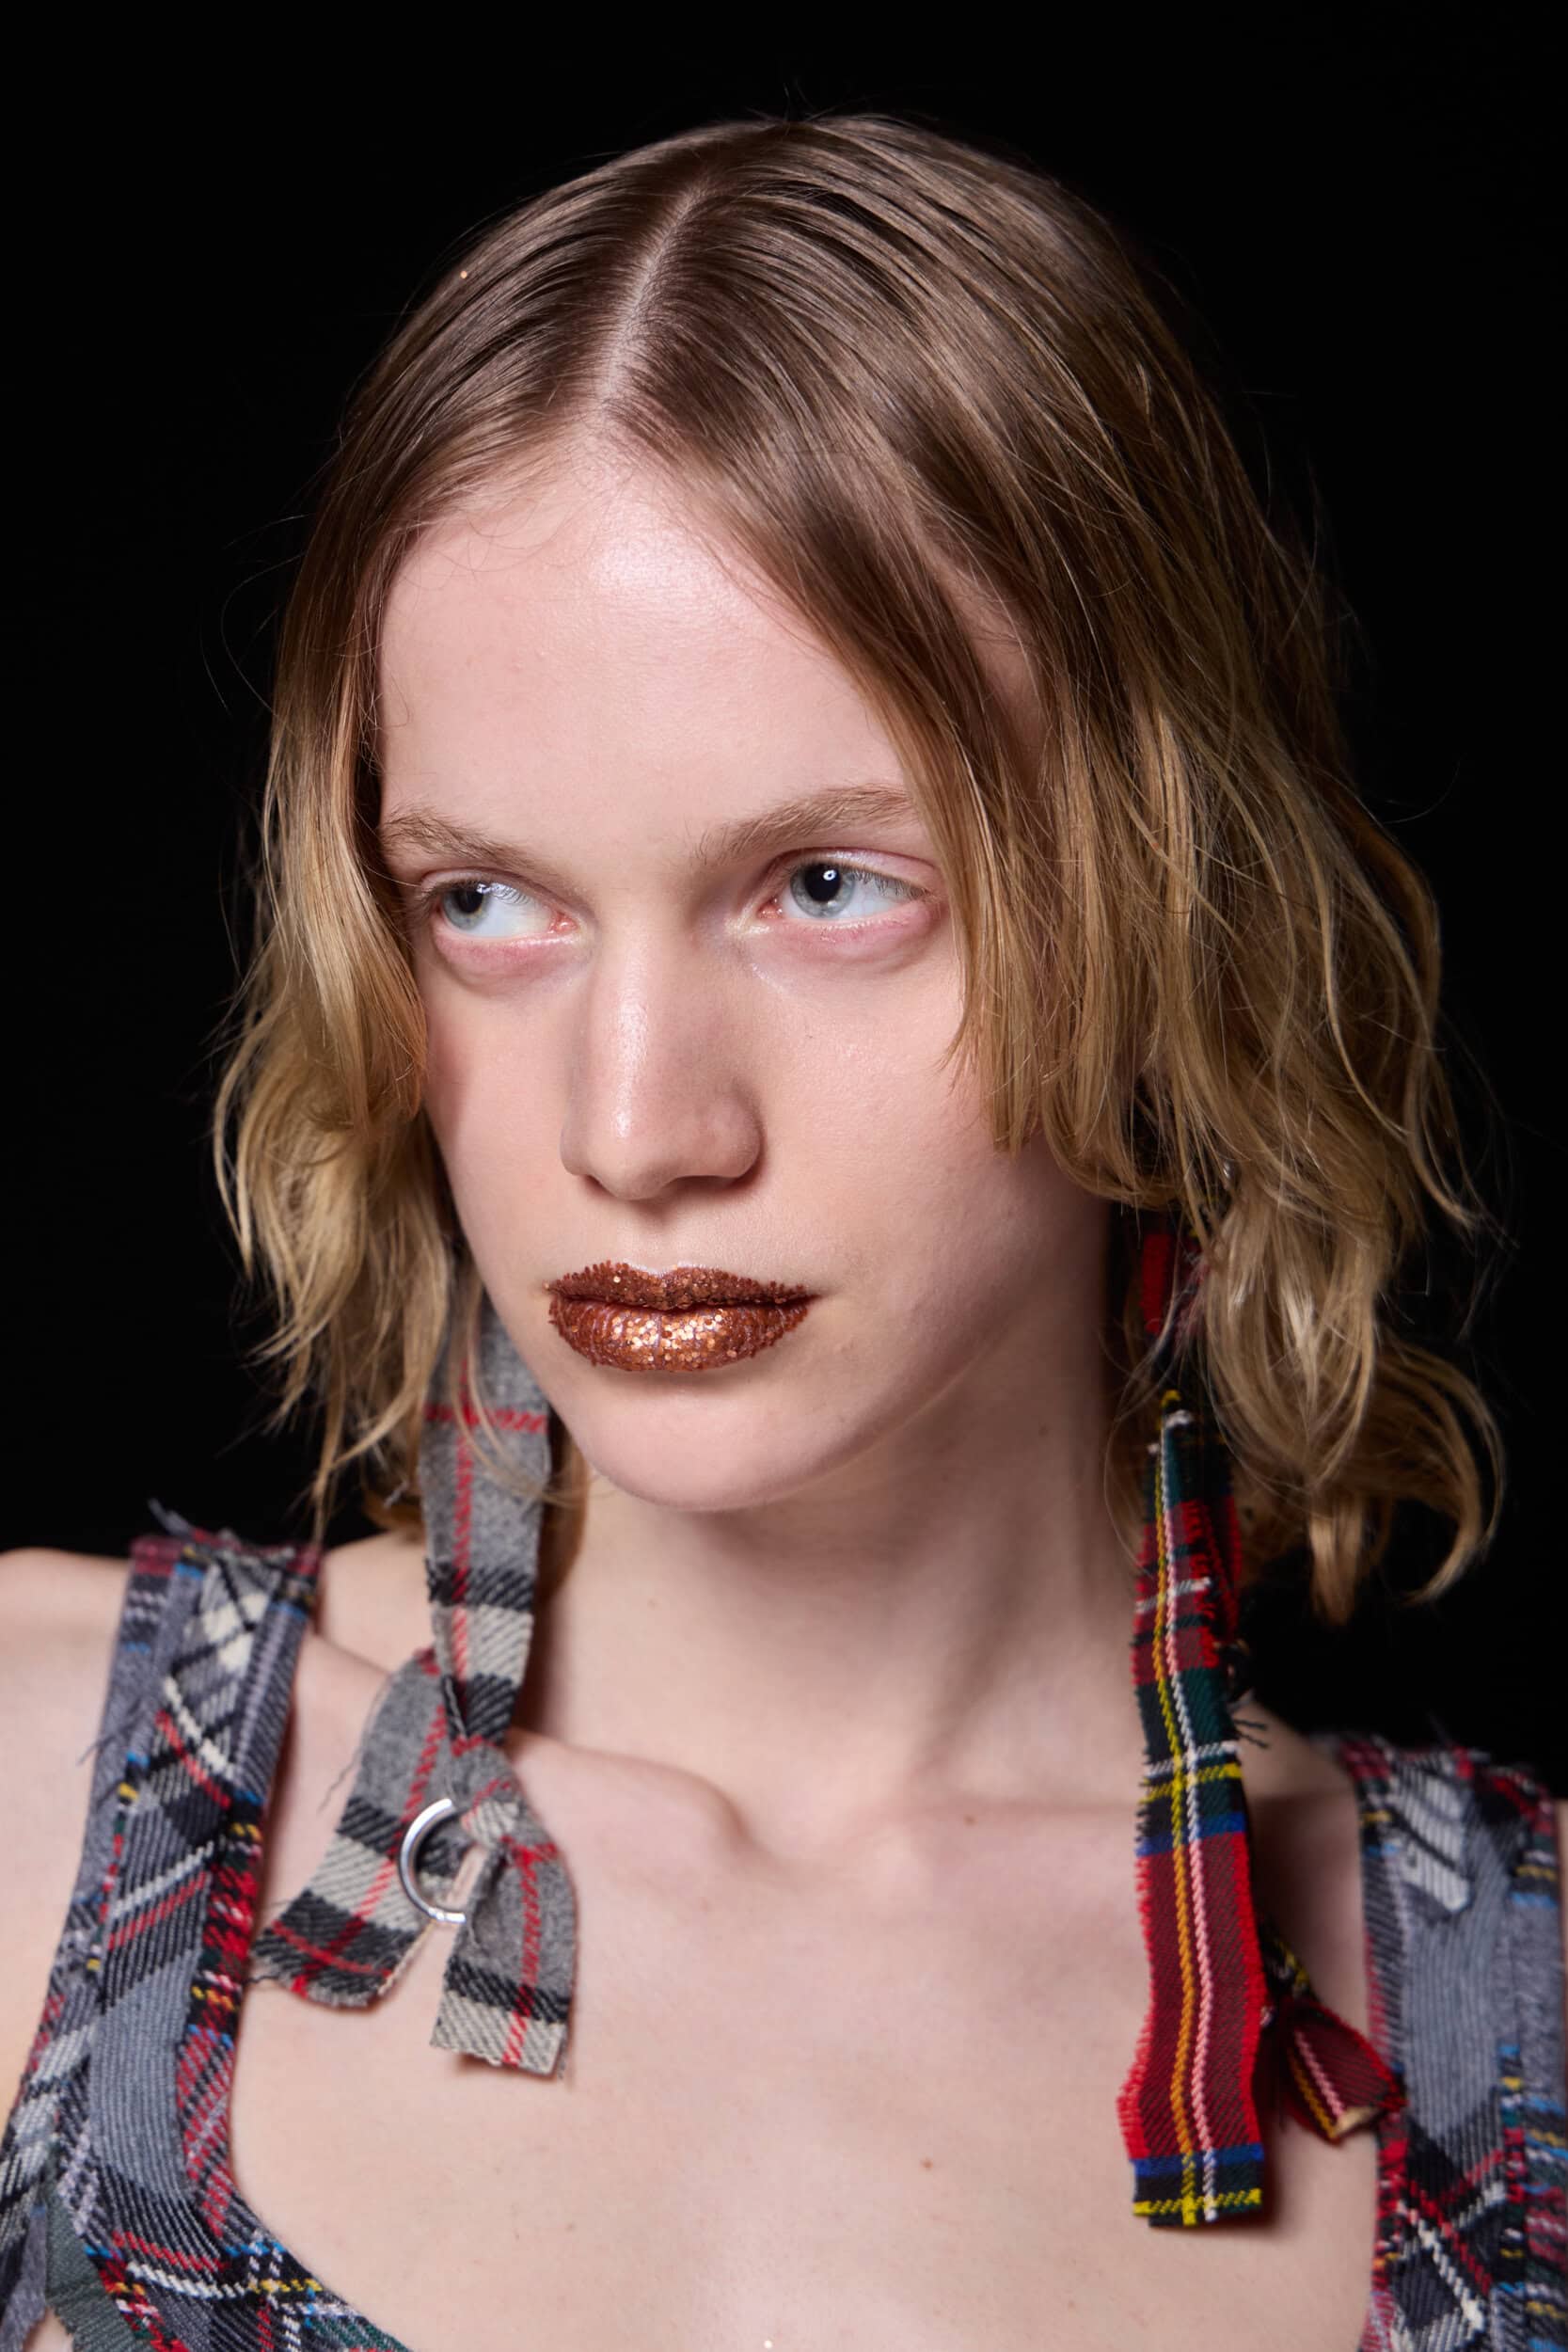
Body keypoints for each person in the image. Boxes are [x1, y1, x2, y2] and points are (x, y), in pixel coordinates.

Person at [1, 109, 1562, 2352]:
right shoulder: (38, 1786)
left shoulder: (1523, 2024)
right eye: (490, 902)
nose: (636, 1128)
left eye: (827, 886)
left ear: (1176, 911)